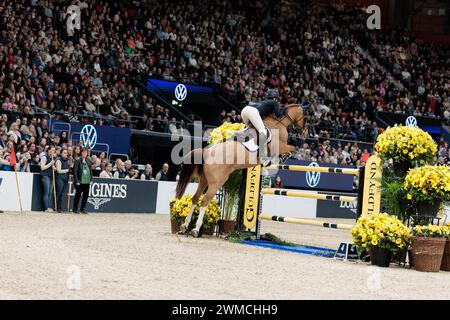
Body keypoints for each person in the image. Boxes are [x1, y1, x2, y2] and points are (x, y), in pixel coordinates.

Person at [240, 89, 284, 165]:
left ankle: (249, 148)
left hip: (244, 110)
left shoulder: (265, 102)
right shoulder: (274, 102)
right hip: (252, 112)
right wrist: (284, 110)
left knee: (251, 131)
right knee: (262, 131)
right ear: (275, 97)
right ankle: (263, 159)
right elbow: (279, 114)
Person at [72, 148, 92, 214]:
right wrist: (77, 180)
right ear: (81, 153)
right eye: (83, 152)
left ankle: (83, 209)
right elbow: (75, 171)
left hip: (87, 181)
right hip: (80, 181)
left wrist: (91, 179)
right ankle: (75, 209)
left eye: (86, 153)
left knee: (85, 196)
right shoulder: (77, 160)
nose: (84, 154)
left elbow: (90, 171)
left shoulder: (88, 160)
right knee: (78, 195)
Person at [40, 145, 56, 212]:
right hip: (45, 176)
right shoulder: (44, 157)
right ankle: (46, 208)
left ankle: (49, 207)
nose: (53, 152)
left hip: (51, 176)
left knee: (50, 193)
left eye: (54, 150)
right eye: (52, 150)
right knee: (46, 193)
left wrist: (54, 168)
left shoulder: (52, 158)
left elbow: (53, 168)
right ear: (49, 150)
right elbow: (42, 168)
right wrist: (50, 164)